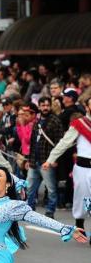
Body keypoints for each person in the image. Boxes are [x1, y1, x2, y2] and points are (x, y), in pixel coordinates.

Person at [43, 97, 91, 239]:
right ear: (87, 108)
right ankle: (80, 223)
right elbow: (64, 143)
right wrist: (50, 159)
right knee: (83, 199)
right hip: (83, 168)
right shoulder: (80, 124)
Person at [26, 97, 63, 218]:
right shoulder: (37, 121)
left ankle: (50, 211)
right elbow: (32, 141)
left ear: (50, 106)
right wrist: (29, 159)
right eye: (43, 105)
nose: (45, 108)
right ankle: (29, 210)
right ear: (39, 106)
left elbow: (60, 142)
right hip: (34, 160)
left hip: (47, 160)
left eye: (47, 105)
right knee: (30, 188)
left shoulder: (55, 121)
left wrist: (55, 160)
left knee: (51, 188)